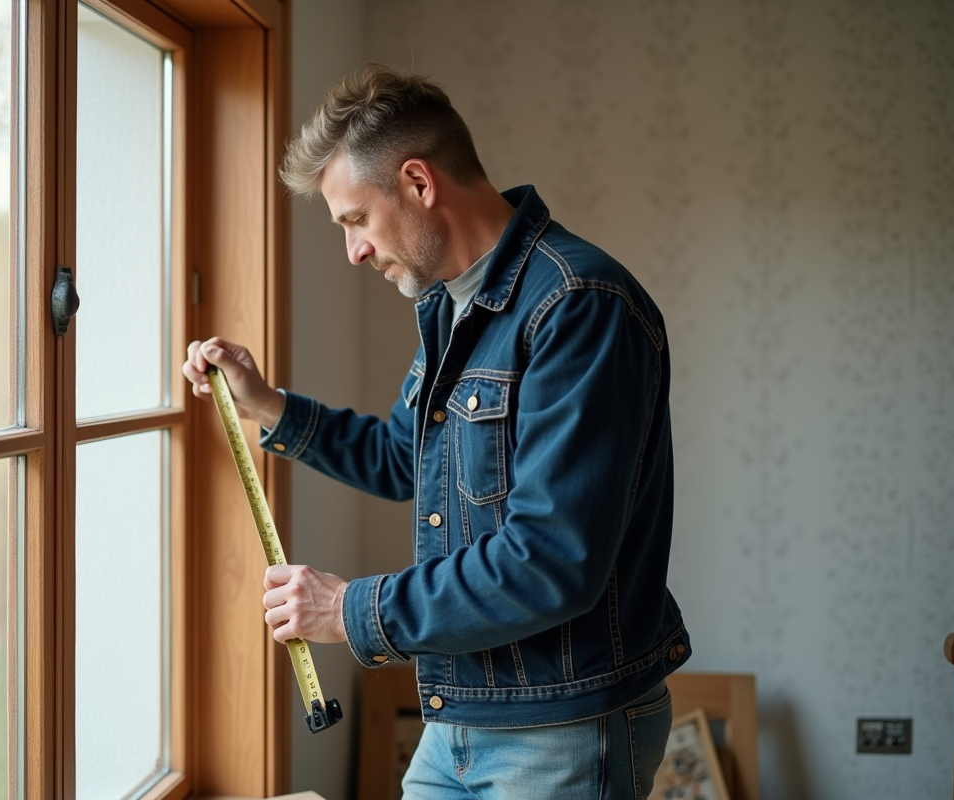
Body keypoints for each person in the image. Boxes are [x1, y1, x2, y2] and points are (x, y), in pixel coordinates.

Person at [182, 64, 691, 800]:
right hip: (460, 717)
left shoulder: (578, 305)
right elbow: (404, 458)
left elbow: (552, 561)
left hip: (564, 730)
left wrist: (350, 610)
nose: (354, 251)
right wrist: (265, 404)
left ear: (418, 182)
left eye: (355, 220)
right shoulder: (454, 306)